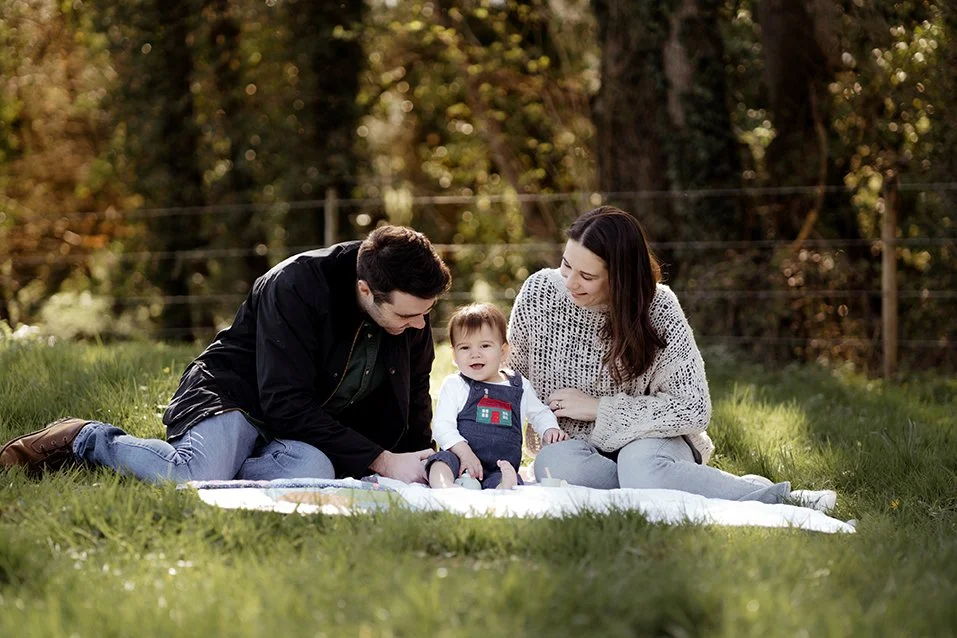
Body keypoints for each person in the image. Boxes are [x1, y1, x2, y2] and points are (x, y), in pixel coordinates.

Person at [0, 225, 452, 485]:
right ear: (366, 290)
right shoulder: (296, 285)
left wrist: (426, 463)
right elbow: (283, 400)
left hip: (296, 428)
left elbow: (412, 400)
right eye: (409, 315)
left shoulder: (412, 311)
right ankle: (86, 438)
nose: (419, 326)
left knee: (315, 472)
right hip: (235, 396)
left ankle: (225, 462)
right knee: (190, 476)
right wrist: (382, 461)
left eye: (426, 313)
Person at [506, 206, 837, 512]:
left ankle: (783, 499)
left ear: (620, 277)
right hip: (576, 448)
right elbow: (507, 383)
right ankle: (685, 485)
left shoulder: (659, 308)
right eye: (566, 265)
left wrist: (600, 409)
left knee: (640, 468)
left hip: (651, 442)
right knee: (554, 466)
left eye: (587, 276)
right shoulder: (539, 293)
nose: (569, 282)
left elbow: (693, 406)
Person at [426, 303, 567, 490]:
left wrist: (549, 428)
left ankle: (503, 488)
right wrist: (463, 452)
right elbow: (442, 426)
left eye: (485, 346)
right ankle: (445, 487)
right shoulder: (455, 384)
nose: (475, 354)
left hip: (500, 464)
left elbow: (539, 413)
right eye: (465, 347)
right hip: (460, 459)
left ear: (503, 351)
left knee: (505, 476)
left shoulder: (519, 386)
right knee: (440, 461)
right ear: (454, 355)